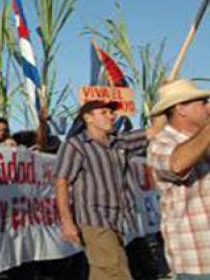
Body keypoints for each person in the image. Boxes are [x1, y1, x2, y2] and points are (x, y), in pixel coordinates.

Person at [54, 100, 162, 280]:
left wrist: (163, 97)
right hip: (94, 219)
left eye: (111, 112)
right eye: (103, 112)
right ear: (88, 118)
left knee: (102, 272)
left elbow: (156, 130)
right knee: (116, 270)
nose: (111, 116)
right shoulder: (76, 145)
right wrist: (67, 221)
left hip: (119, 220)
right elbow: (61, 182)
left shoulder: (120, 142)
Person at [146, 79, 210, 278]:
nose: (208, 107)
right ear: (181, 109)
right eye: (203, 102)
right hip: (198, 262)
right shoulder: (160, 144)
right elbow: (177, 164)